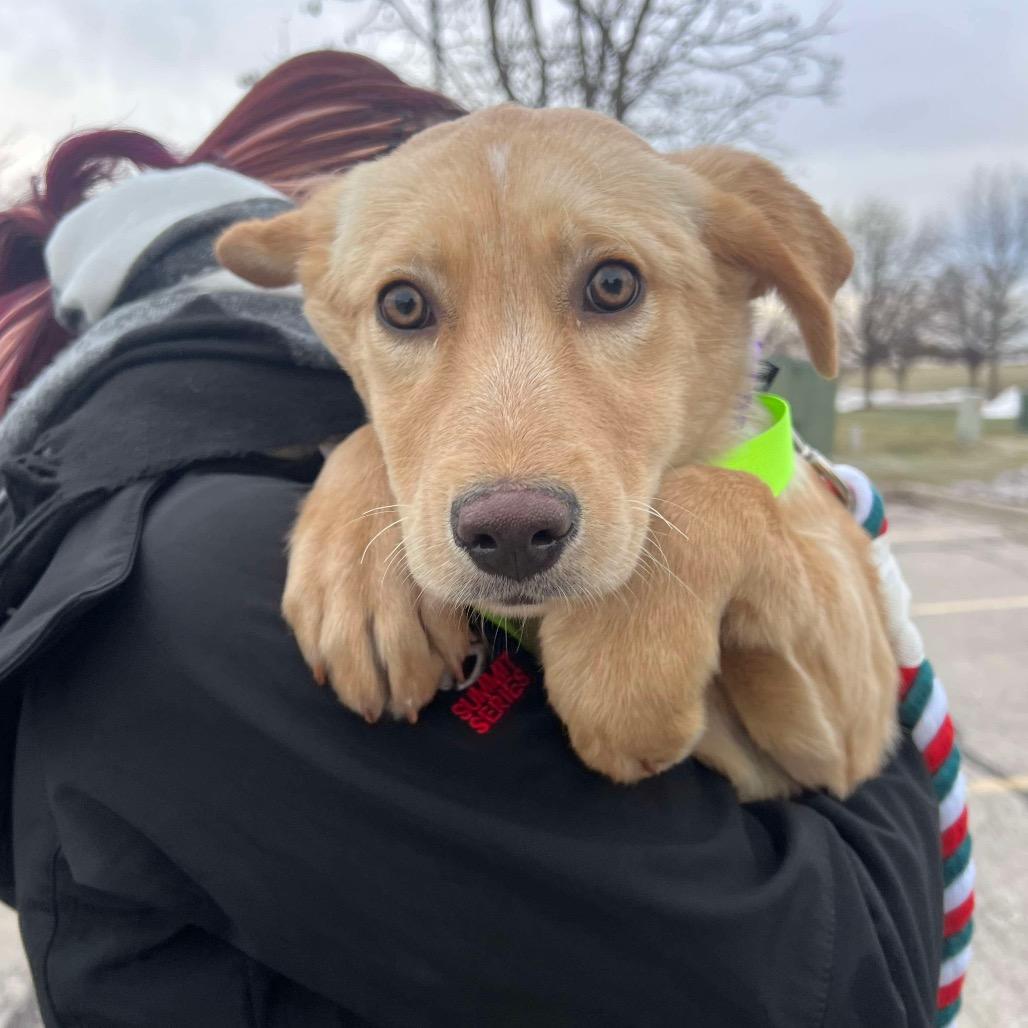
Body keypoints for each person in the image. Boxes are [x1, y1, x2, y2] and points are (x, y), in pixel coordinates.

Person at [0, 51, 945, 1027]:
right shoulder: (188, 571)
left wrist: (719, 528)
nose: (511, 474)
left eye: (609, 287)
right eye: (407, 304)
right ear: (311, 291)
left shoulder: (149, 489)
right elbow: (845, 977)